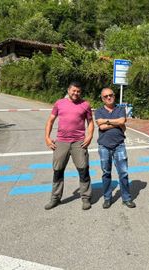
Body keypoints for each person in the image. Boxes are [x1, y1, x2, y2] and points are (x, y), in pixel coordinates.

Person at [44, 81, 94, 210]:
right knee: (58, 171)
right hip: (61, 142)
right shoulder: (59, 103)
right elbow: (50, 121)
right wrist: (47, 138)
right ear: (68, 90)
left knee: (83, 170)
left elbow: (90, 122)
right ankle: (55, 198)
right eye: (73, 90)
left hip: (79, 142)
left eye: (78, 91)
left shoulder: (85, 105)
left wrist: (89, 136)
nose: (76, 93)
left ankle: (86, 198)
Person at [95, 87, 136, 209]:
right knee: (106, 173)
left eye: (110, 95)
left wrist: (106, 121)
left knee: (123, 173)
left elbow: (122, 121)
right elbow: (100, 127)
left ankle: (126, 198)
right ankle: (107, 198)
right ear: (102, 98)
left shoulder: (120, 109)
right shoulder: (99, 111)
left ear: (114, 95)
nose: (109, 97)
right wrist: (116, 123)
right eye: (106, 96)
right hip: (104, 146)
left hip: (119, 145)